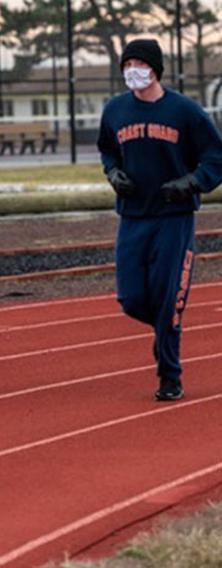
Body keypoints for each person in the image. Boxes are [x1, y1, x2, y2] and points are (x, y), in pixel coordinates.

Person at [98, 38, 222, 401]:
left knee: (169, 300)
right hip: (133, 217)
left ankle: (170, 375)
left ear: (155, 69)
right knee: (132, 299)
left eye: (139, 63)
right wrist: (113, 173)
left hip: (174, 218)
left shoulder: (185, 112)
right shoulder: (115, 111)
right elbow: (107, 149)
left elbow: (216, 157)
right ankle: (166, 330)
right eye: (127, 63)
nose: (132, 70)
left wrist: (193, 182)